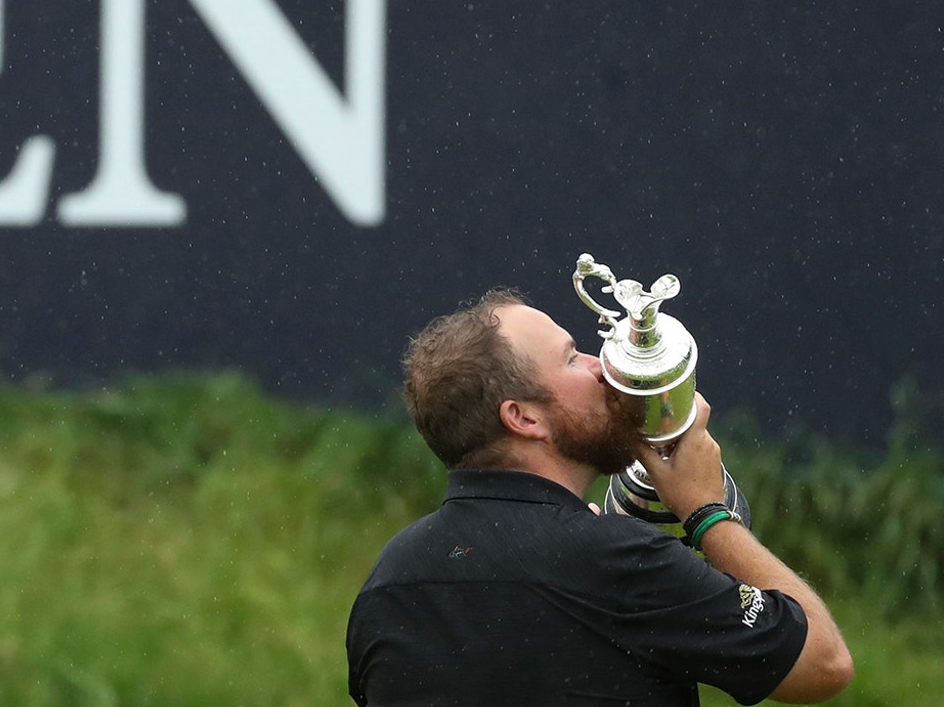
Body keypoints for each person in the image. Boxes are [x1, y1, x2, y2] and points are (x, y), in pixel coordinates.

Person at [346, 290, 854, 706]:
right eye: (571, 358)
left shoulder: (387, 586)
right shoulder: (616, 561)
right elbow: (821, 664)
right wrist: (707, 513)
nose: (599, 366)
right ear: (523, 417)